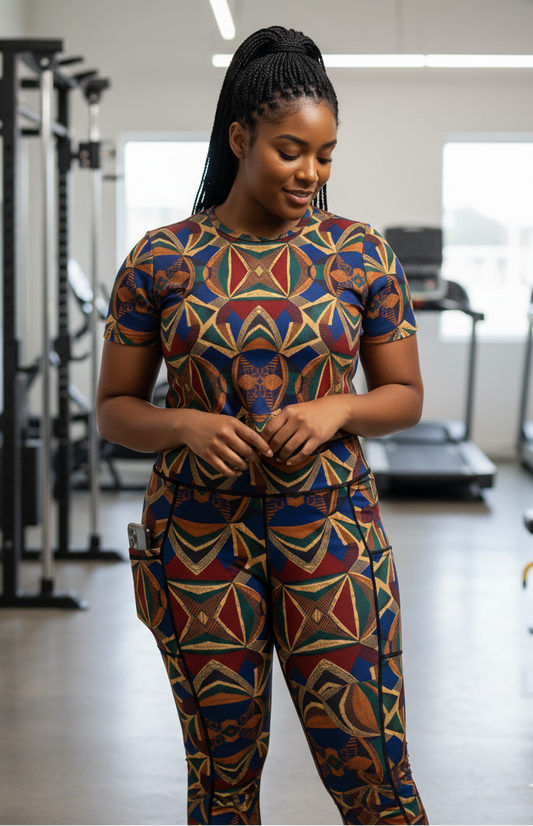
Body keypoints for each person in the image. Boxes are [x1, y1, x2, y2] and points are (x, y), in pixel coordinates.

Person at [97, 25, 428, 826]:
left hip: (333, 537)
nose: (309, 175)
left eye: (324, 156)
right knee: (221, 788)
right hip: (197, 545)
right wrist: (182, 426)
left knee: (374, 780)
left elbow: (404, 394)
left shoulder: (359, 254)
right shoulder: (161, 258)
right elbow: (114, 409)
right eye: (290, 152)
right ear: (240, 137)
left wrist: (338, 406)